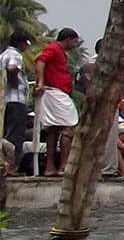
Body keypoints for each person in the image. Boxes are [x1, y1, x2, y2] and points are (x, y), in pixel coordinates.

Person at [31, 28, 83, 175]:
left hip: (55, 92)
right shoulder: (54, 48)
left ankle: (50, 167)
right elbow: (41, 61)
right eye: (75, 41)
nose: (75, 45)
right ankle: (64, 165)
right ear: (68, 39)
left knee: (53, 129)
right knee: (69, 126)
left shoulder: (59, 51)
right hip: (55, 92)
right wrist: (40, 82)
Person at [2, 32, 31, 159]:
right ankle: (11, 164)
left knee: (5, 132)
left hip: (4, 100)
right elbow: (12, 68)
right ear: (21, 44)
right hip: (16, 99)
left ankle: (4, 163)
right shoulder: (15, 55)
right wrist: (13, 83)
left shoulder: (2, 55)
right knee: (16, 133)